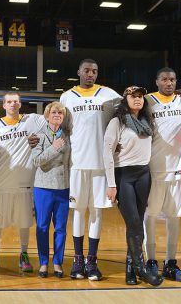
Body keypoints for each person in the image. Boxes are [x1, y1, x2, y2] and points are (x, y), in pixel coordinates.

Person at [57, 59, 121, 281]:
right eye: (86, 70)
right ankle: (77, 260)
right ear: (78, 72)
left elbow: (130, 110)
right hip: (76, 163)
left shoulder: (109, 94)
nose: (90, 74)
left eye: (94, 71)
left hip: (101, 164)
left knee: (97, 211)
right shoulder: (67, 96)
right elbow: (59, 127)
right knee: (77, 211)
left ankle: (91, 261)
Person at [104, 86, 162, 286]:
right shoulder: (117, 122)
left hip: (143, 175)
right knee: (135, 223)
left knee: (136, 224)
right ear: (125, 99)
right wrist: (111, 184)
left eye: (140, 96)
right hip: (124, 176)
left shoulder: (147, 121)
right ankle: (141, 269)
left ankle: (131, 268)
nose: (137, 99)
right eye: (133, 96)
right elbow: (107, 153)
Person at [0, 93, 45, 273]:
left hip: (25, 181)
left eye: (16, 101)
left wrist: (41, 140)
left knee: (24, 222)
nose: (13, 104)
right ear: (3, 105)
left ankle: (24, 254)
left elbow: (55, 116)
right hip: (1, 181)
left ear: (20, 104)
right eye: (9, 101)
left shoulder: (31, 120)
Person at [144, 68, 181, 282]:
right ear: (156, 81)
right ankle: (151, 261)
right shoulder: (146, 100)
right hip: (153, 167)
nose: (169, 83)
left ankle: (171, 263)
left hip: (177, 169)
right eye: (164, 79)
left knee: (175, 218)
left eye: (172, 79)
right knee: (151, 216)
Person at [31, 102, 71, 278]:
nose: (57, 115)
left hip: (63, 187)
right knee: (42, 227)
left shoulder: (69, 136)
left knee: (61, 228)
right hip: (43, 187)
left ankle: (57, 262)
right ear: (47, 116)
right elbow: (37, 161)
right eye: (54, 112)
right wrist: (54, 148)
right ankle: (43, 263)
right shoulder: (38, 136)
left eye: (60, 113)